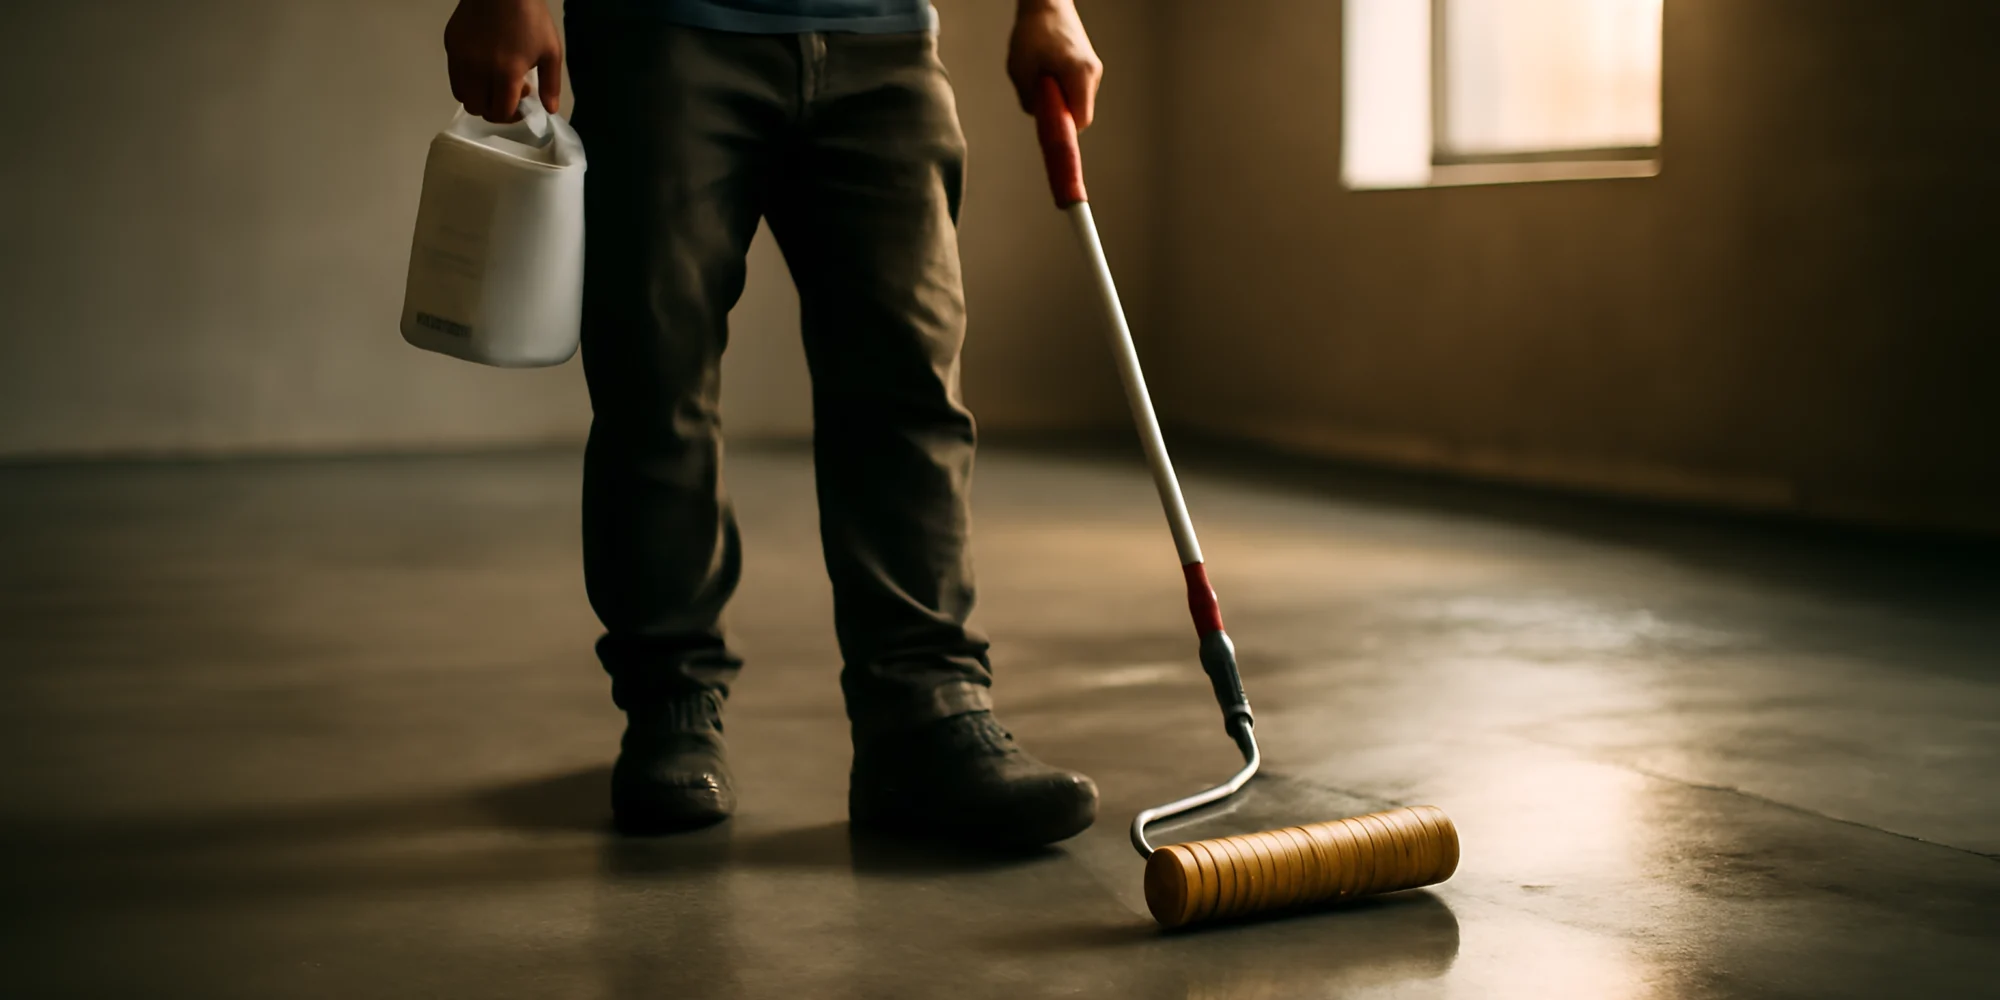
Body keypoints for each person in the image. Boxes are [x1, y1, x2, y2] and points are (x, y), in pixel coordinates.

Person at [441, 0, 1104, 846]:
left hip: (884, 36)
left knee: (911, 383)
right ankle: (670, 708)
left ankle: (926, 714)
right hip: (666, 27)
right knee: (657, 376)